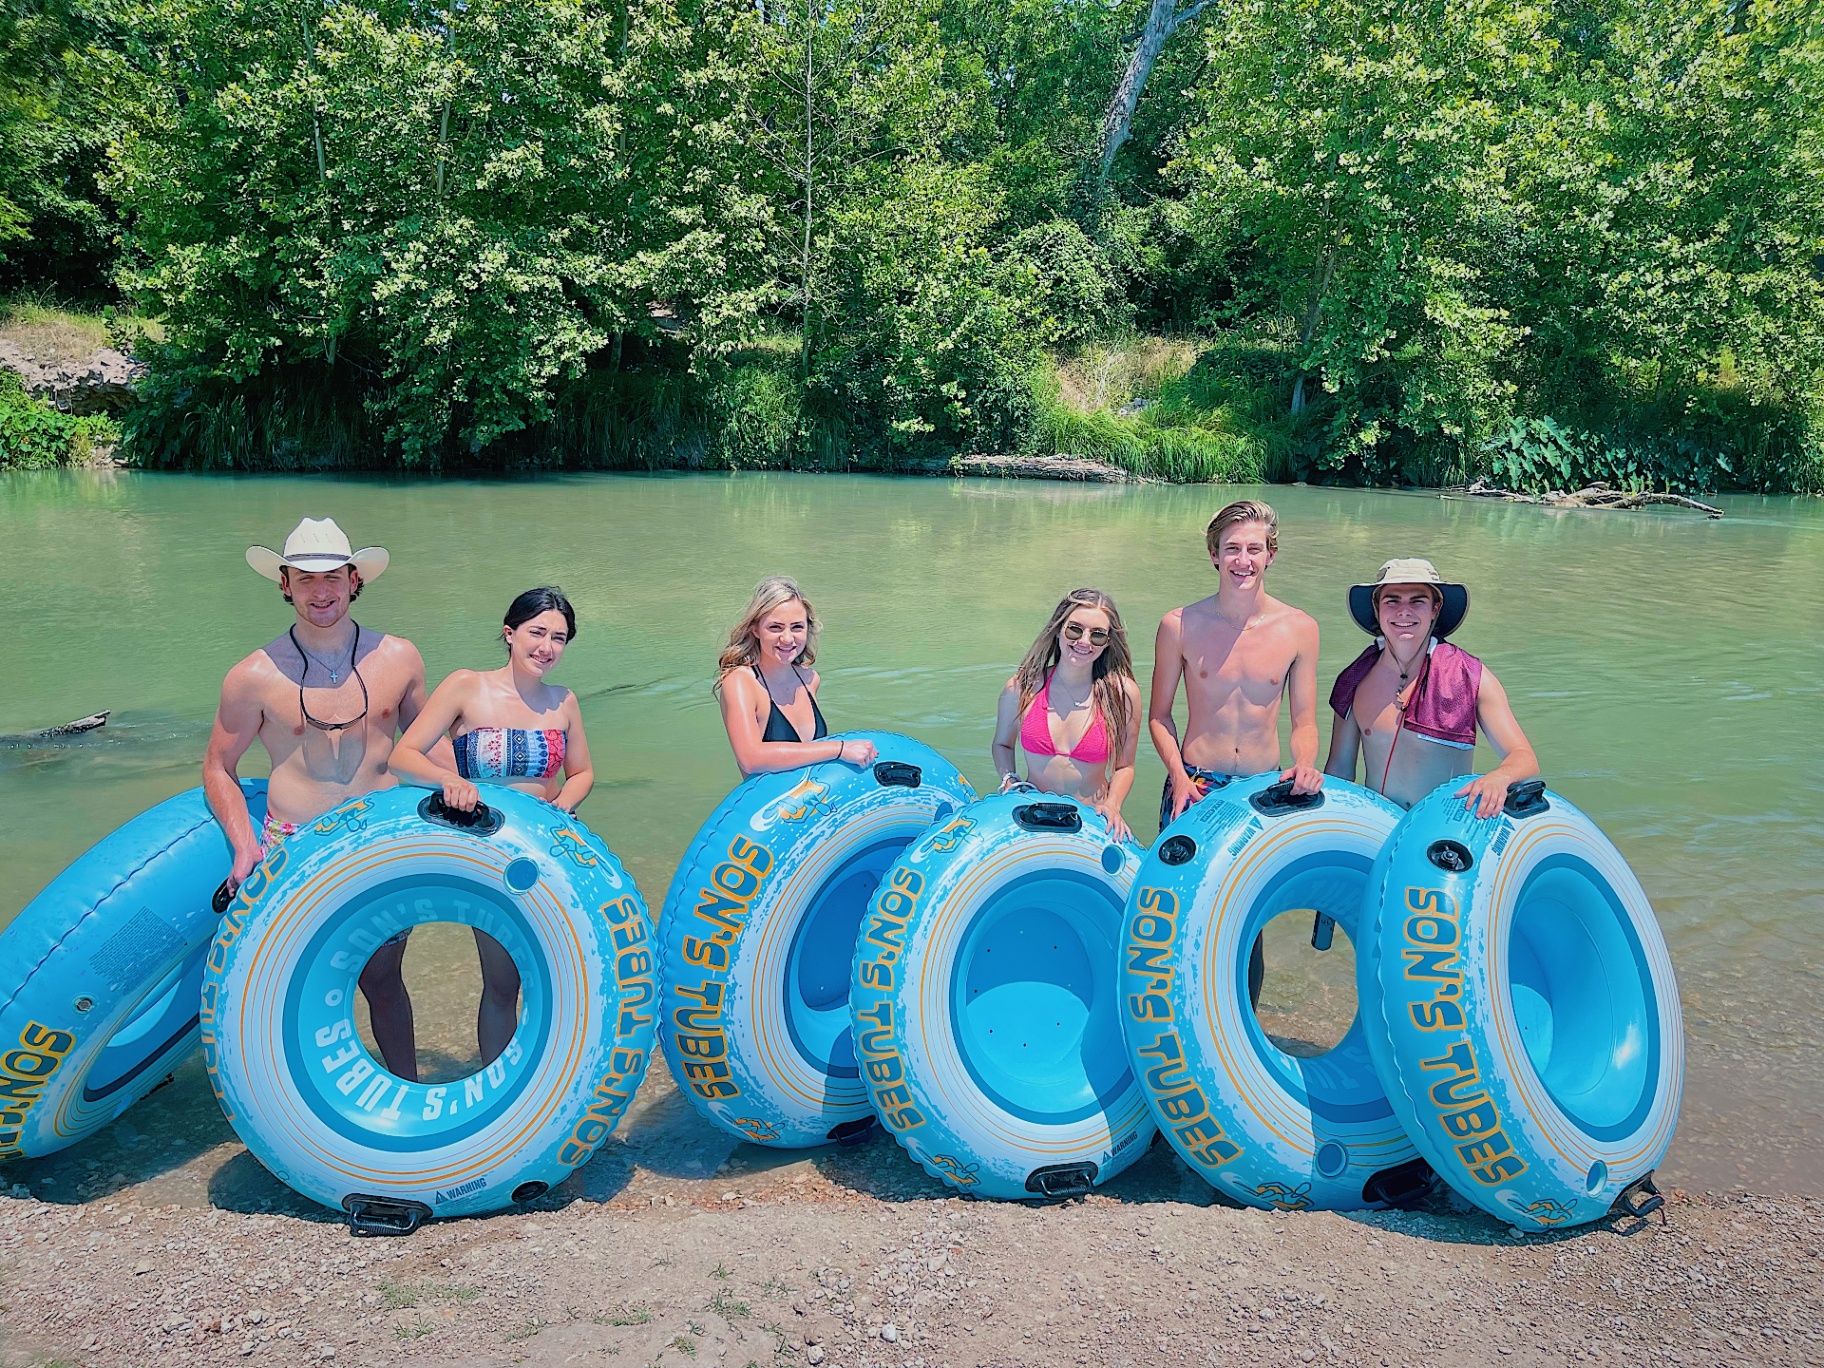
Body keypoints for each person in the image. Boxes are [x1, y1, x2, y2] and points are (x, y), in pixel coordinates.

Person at [203, 517, 442, 1074]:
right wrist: (244, 847)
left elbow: (428, 749)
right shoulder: (253, 675)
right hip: (293, 847)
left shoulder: (400, 658)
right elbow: (218, 766)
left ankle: (406, 1093)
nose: (321, 592)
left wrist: (477, 805)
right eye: (305, 579)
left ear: (355, 579)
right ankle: (294, 1104)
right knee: (297, 983)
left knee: (383, 980)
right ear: (284, 585)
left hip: (380, 841)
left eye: (332, 576)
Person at [390, 587, 597, 1069]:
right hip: (487, 851)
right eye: (537, 633)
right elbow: (403, 756)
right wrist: (448, 780)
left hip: (546, 848)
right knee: (503, 982)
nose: (547, 647)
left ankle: (553, 1078)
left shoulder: (564, 701)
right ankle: (501, 1081)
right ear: (510, 633)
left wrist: (563, 805)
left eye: (559, 638)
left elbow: (582, 772)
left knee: (555, 977)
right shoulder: (466, 686)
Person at [1149, 498, 1324, 829]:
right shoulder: (1179, 626)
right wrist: (1178, 775)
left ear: (1270, 555)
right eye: (1232, 549)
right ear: (1214, 554)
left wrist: (1304, 763)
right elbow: (1159, 716)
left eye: (1254, 549)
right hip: (1194, 783)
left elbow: (1304, 723)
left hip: (1265, 787)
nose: (1243, 561)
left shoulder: (1301, 629)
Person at [1323, 558, 1538, 815]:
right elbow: (1339, 771)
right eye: (1392, 601)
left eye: (1417, 601)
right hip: (1379, 824)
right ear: (1377, 608)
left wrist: (1500, 777)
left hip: (1441, 827)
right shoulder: (1354, 681)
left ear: (1435, 609)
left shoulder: (1471, 676)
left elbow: (1524, 757)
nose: (1404, 611)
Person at [991, 589, 1142, 842]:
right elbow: (1002, 744)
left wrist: (1113, 804)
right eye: (1075, 630)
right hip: (1032, 816)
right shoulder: (1022, 688)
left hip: (1092, 821)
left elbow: (1125, 766)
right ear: (1058, 629)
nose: (1084, 641)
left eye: (1097, 635)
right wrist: (1009, 779)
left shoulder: (1122, 694)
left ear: (1107, 642)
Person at [715, 576, 878, 775]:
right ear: (755, 629)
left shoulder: (810, 679)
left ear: (808, 628)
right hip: (771, 795)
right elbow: (751, 759)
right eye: (775, 627)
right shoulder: (740, 682)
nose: (787, 638)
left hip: (813, 793)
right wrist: (840, 749)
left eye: (797, 627)